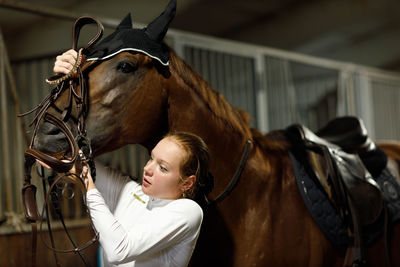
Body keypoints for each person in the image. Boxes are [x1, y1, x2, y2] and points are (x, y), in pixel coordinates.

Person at [43, 51, 213, 267]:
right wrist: (72, 78)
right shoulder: (129, 191)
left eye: (163, 167)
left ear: (187, 182)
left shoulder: (188, 212)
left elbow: (119, 251)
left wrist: (88, 184)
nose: (148, 169)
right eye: (151, 159)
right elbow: (65, 156)